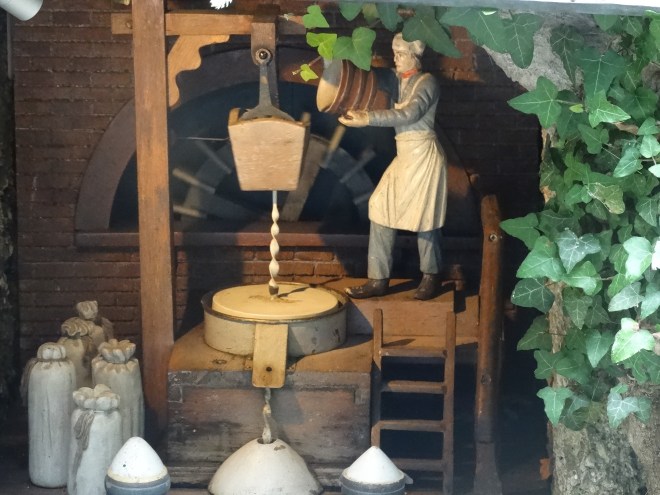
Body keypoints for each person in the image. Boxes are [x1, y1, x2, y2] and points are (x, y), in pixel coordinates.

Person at [339, 33, 447, 300]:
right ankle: (378, 279)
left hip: (423, 155)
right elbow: (368, 79)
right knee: (380, 207)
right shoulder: (397, 79)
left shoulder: (427, 82)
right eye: (394, 53)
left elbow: (410, 114)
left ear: (414, 56)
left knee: (426, 217)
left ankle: (431, 276)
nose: (395, 58)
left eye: (400, 54)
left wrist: (367, 118)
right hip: (405, 154)